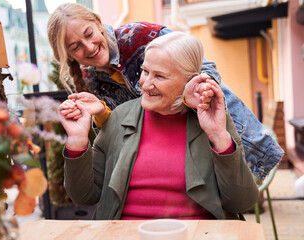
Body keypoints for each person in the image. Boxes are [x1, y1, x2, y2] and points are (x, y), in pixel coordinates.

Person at [47, 3, 284, 179]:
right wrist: (100, 114)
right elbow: (119, 132)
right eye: (76, 46)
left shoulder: (140, 37)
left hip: (231, 141)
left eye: (89, 34)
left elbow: (206, 68)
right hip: (177, 157)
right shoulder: (90, 80)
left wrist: (195, 91)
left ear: (98, 24)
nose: (89, 47)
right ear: (68, 55)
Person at [57, 32, 259, 220]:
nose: (146, 83)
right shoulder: (119, 117)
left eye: (159, 76)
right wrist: (77, 141)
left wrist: (218, 136)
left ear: (190, 81)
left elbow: (241, 202)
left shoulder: (213, 117)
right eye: (145, 71)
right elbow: (85, 196)